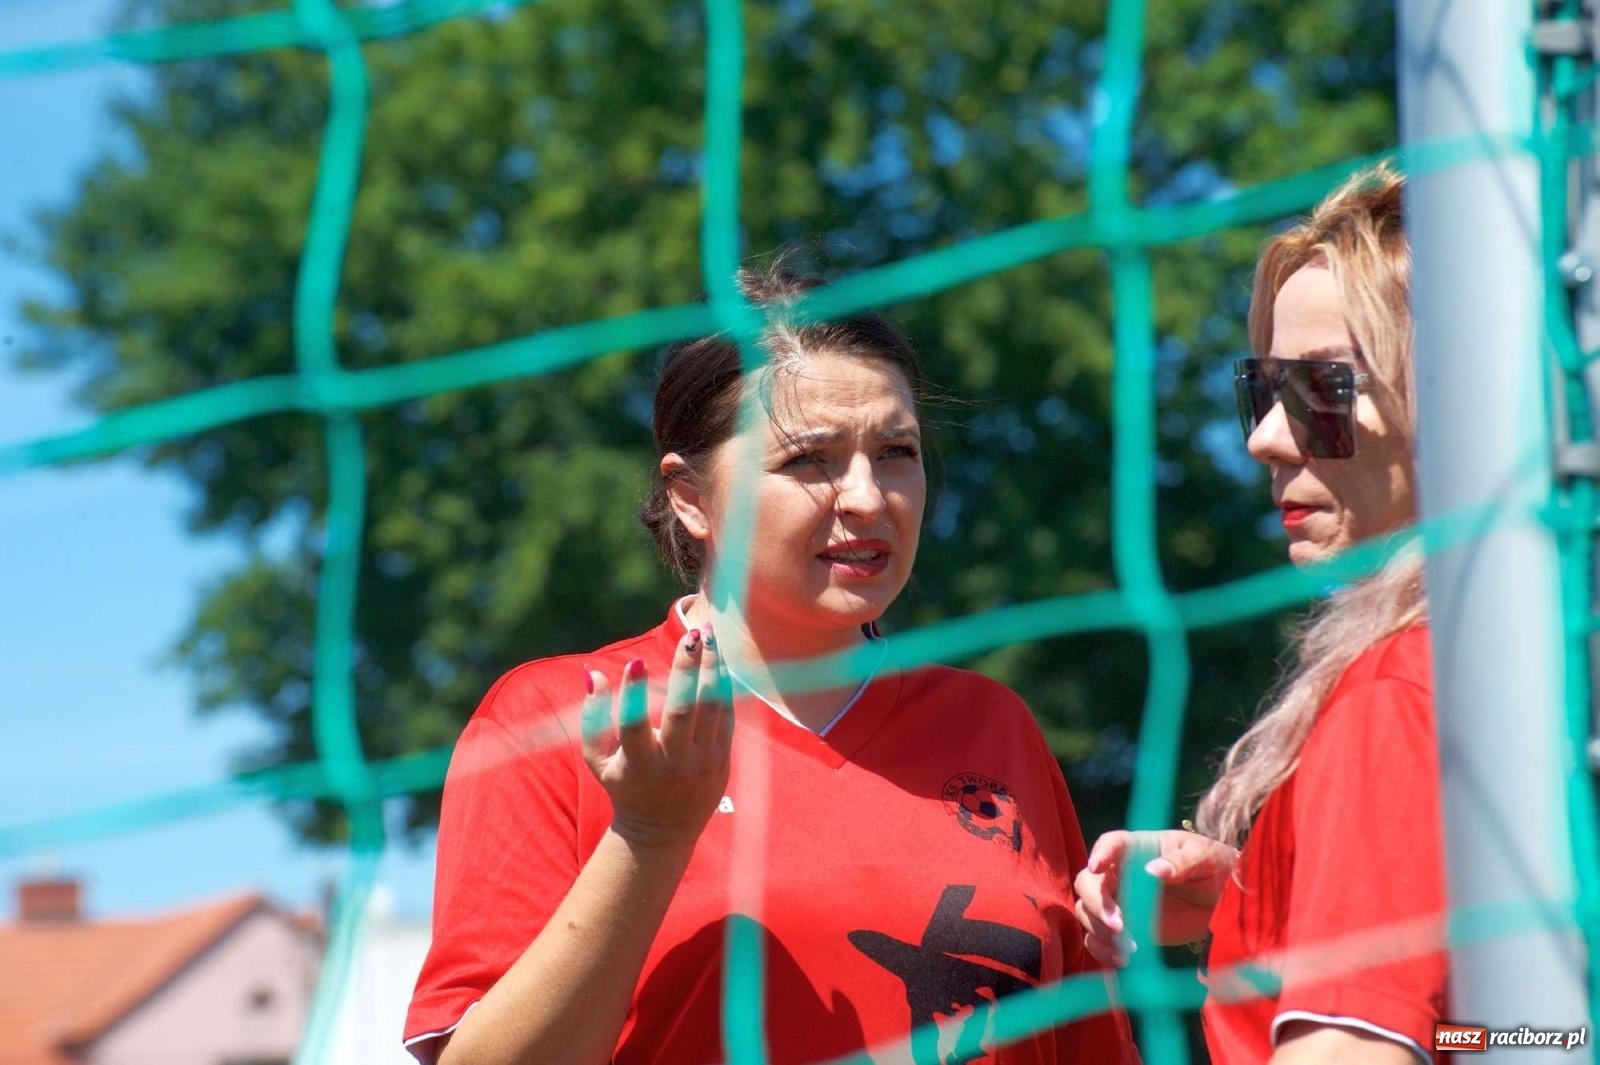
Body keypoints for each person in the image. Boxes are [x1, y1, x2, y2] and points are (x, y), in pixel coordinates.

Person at [404, 267, 1139, 1065]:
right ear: (691, 496)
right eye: (809, 460)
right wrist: (648, 838)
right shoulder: (561, 715)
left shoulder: (994, 725)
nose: (867, 496)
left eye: (897, 451)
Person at [1073, 163, 1449, 1063]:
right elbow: (1529, 1033)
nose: (1263, 437)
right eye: (1263, 389)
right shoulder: (1529, 655)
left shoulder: (1397, 687)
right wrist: (1264, 895)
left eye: (1323, 388)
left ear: (1456, 396)